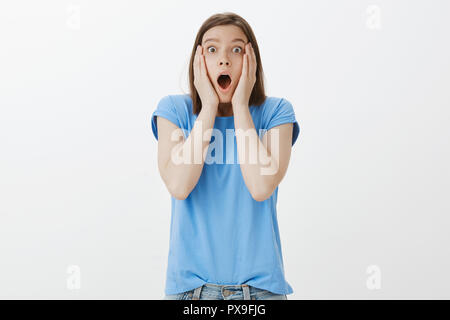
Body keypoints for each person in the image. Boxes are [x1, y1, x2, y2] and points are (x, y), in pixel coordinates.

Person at [150, 12, 300, 300]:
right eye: (212, 49)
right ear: (198, 61)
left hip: (260, 292)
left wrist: (242, 106)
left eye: (236, 49)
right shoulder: (174, 111)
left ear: (251, 60)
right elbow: (179, 186)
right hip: (189, 292)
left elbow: (260, 187)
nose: (224, 60)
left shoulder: (276, 113)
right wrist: (207, 107)